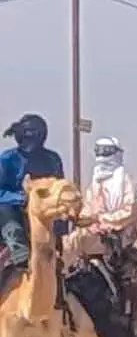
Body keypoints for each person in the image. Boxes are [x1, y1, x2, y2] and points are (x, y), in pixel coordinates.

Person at [0, 114, 65, 284]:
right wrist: (22, 198)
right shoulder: (7, 159)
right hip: (12, 213)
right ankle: (17, 249)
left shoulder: (52, 159)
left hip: (44, 215)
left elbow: (60, 189)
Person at [67, 137, 137, 259]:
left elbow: (129, 213)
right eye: (99, 151)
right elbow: (88, 209)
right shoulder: (94, 184)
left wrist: (100, 220)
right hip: (93, 232)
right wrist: (84, 220)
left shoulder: (131, 183)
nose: (102, 156)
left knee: (77, 240)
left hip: (120, 234)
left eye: (106, 152)